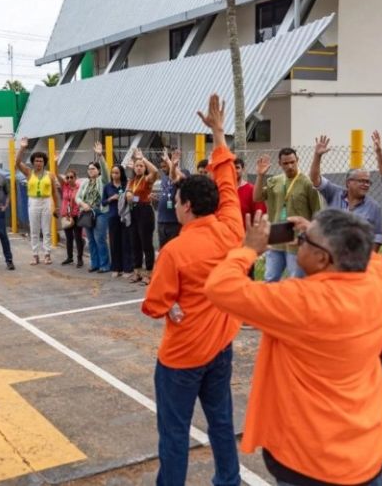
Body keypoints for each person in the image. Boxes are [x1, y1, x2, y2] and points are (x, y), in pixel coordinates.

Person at [205, 208, 382, 486]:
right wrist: (316, 230)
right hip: (364, 451)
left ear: (322, 258)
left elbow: (220, 287)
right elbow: (372, 257)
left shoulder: (305, 302)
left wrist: (248, 250)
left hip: (311, 460)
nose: (300, 240)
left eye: (305, 240)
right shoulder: (375, 281)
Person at [142, 94, 245, 486]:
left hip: (183, 356)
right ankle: (228, 480)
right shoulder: (232, 227)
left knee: (174, 433)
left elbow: (153, 304)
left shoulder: (176, 250)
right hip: (221, 347)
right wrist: (218, 133)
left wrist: (171, 307)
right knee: (221, 422)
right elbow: (228, 182)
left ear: (183, 206)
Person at [253, 147, 321, 281]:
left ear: (297, 161)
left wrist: (311, 240)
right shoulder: (274, 181)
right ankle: (270, 302)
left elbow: (317, 213)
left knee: (295, 280)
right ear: (279, 164)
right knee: (270, 279)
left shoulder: (307, 183)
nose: (290, 166)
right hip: (276, 239)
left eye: (292, 162)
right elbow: (257, 197)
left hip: (297, 242)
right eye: (285, 163)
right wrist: (260, 176)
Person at [309, 135, 382, 249]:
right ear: (348, 183)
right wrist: (317, 156)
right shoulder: (334, 193)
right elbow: (315, 179)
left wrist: (366, 262)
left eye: (368, 182)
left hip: (356, 258)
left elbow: (377, 239)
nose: (366, 184)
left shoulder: (374, 207)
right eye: (361, 181)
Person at [16, 138, 61, 265]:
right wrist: (22, 148)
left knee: (46, 230)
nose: (38, 163)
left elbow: (54, 192)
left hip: (46, 201)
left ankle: (47, 254)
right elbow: (17, 162)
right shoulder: (29, 173)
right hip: (33, 201)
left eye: (41, 161)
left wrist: (57, 207)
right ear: (33, 162)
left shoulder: (50, 175)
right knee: (34, 229)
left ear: (44, 162)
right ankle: (35, 255)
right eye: (36, 161)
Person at [76, 143, 110, 273]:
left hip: (100, 212)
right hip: (87, 213)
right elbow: (77, 197)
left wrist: (100, 155)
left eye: (93, 169)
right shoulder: (85, 182)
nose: (91, 171)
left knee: (99, 238)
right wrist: (82, 204)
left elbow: (106, 172)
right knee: (90, 239)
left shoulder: (102, 180)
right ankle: (94, 263)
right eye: (89, 169)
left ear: (98, 170)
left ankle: (105, 264)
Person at [126, 149, 159, 284]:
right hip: (134, 211)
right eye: (137, 165)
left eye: (141, 166)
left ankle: (149, 272)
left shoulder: (147, 179)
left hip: (145, 211)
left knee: (146, 244)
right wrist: (128, 195)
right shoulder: (132, 180)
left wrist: (142, 158)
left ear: (144, 168)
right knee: (135, 243)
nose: (139, 168)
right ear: (133, 168)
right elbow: (129, 193)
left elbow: (155, 172)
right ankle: (137, 271)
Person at [104, 164, 133, 278]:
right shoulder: (108, 187)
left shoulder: (127, 185)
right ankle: (116, 267)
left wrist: (127, 197)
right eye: (113, 173)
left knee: (126, 242)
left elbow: (134, 198)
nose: (114, 175)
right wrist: (111, 198)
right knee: (114, 243)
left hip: (124, 217)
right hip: (112, 217)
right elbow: (103, 202)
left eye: (117, 173)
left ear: (121, 174)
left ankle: (127, 268)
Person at [156, 149, 183, 248]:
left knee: (174, 249)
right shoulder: (163, 178)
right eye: (161, 167)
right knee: (163, 250)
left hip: (174, 222)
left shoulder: (182, 173)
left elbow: (176, 177)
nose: (163, 169)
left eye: (165, 166)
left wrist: (171, 163)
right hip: (162, 221)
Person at [59, 168, 84, 267]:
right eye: (67, 177)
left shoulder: (80, 187)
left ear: (75, 178)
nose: (69, 179)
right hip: (67, 215)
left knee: (78, 237)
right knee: (69, 238)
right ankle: (69, 257)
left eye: (71, 177)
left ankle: (80, 258)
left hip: (76, 215)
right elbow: (58, 176)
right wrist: (55, 163)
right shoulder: (65, 186)